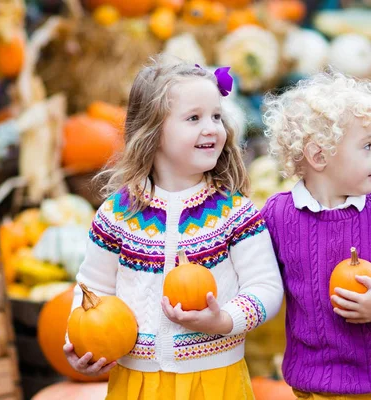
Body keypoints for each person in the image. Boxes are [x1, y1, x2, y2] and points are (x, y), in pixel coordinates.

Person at [64, 56, 284, 400]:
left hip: (213, 380)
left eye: (216, 116)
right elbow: (93, 286)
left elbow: (266, 286)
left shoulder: (234, 213)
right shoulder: (117, 214)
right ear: (152, 132)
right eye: (194, 118)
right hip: (137, 384)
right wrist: (80, 342)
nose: (211, 127)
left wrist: (225, 319)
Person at [260, 69, 371, 399]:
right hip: (312, 385)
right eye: (368, 146)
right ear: (319, 156)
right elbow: (258, 276)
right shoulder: (278, 215)